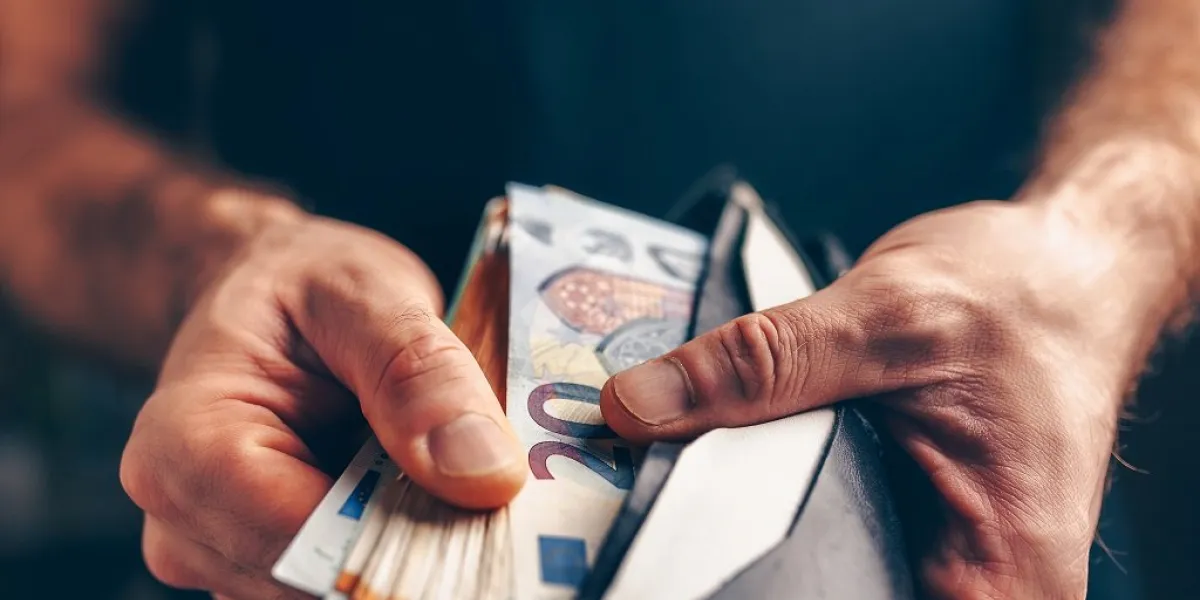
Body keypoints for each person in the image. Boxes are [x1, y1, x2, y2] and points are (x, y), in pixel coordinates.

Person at [0, 0, 1193, 597]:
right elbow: (22, 108)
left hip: (968, 479)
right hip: (311, 483)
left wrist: (1096, 242)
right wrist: (217, 258)